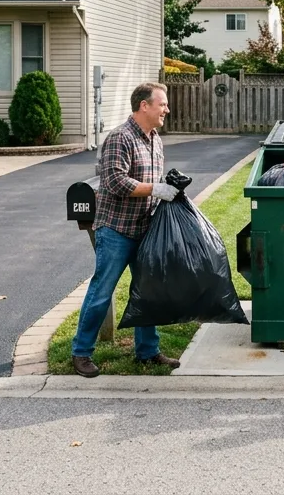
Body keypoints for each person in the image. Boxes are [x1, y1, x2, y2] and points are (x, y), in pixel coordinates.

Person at [71, 82, 180, 378]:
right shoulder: (120, 138)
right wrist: (155, 189)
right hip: (117, 230)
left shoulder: (155, 138)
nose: (166, 109)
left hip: (146, 228)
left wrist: (170, 185)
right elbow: (115, 182)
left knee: (146, 291)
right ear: (144, 106)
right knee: (102, 291)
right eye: (162, 104)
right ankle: (81, 353)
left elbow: (154, 179)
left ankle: (147, 351)